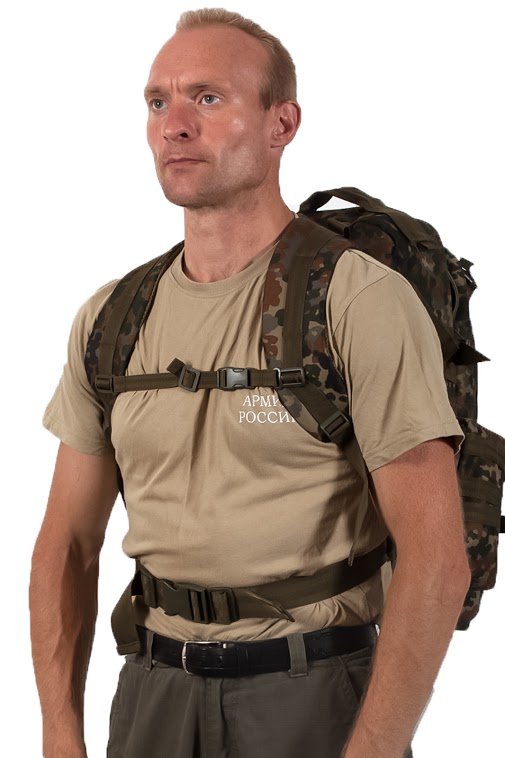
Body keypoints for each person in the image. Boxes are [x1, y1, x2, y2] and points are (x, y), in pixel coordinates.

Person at [30, 8, 470, 758]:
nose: (174, 125)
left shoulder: (356, 300)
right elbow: (66, 546)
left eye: (208, 97)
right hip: (151, 691)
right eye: (158, 101)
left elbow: (436, 559)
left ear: (281, 123)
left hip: (314, 694)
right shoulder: (113, 316)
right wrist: (58, 735)